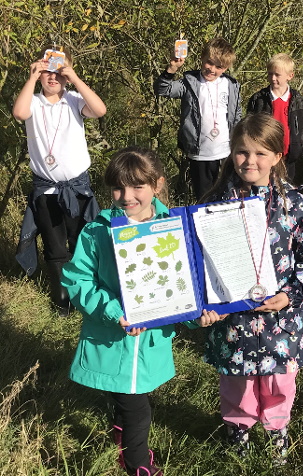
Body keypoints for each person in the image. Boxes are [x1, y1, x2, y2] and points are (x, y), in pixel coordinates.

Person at [61, 147, 222, 476]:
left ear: (158, 185)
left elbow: (184, 286)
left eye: (137, 186)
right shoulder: (97, 231)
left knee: (130, 396)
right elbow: (77, 279)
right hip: (113, 338)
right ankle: (138, 465)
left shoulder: (176, 229)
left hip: (150, 343)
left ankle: (120, 434)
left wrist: (199, 314)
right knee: (137, 408)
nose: (126, 196)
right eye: (118, 187)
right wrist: (114, 312)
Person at [200, 114, 303, 465]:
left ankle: (277, 438)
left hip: (282, 322)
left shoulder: (293, 204)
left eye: (260, 153)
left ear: (276, 156)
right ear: (231, 154)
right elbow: (198, 264)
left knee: (279, 384)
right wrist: (203, 304)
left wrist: (290, 294)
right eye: (242, 152)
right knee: (238, 387)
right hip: (233, 325)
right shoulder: (212, 205)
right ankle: (238, 435)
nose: (250, 161)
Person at [13, 45, 106, 316]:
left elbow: (99, 110)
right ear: (40, 75)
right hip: (47, 188)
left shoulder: (75, 100)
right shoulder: (33, 101)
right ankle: (61, 298)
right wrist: (31, 77)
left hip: (77, 188)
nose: (53, 78)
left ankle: (84, 294)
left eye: (59, 74)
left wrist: (74, 77)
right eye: (47, 73)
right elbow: (19, 113)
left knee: (82, 242)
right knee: (55, 247)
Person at [154, 37, 242, 201]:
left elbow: (236, 114)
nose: (212, 69)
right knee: (204, 199)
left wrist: (239, 142)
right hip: (200, 154)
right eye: (209, 63)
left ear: (226, 68)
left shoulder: (231, 85)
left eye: (219, 66)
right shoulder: (189, 83)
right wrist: (172, 68)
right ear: (202, 57)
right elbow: (163, 90)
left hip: (226, 153)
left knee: (228, 197)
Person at [246, 53, 303, 182]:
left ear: (290, 76)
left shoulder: (297, 100)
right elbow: (249, 126)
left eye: (277, 75)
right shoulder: (259, 99)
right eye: (270, 74)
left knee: (286, 192)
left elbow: (302, 126)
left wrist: (300, 147)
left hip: (288, 157)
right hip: (264, 155)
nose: (273, 78)